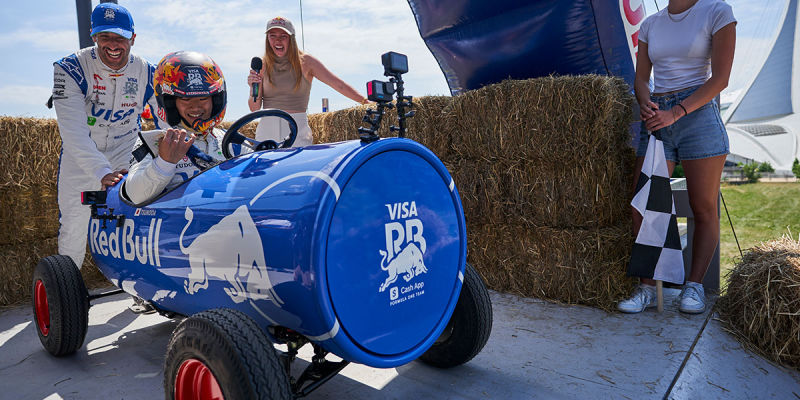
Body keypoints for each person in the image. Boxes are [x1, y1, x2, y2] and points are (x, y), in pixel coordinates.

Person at [618, 0, 736, 314]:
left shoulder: (717, 11)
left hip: (697, 115)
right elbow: (641, 79)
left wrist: (678, 111)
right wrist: (645, 102)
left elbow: (721, 78)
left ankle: (693, 287)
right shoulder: (650, 24)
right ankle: (646, 286)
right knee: (642, 201)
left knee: (703, 206)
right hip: (658, 115)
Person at [52, 3, 163, 269]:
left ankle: (142, 288)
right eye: (105, 37)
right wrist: (100, 171)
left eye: (120, 38)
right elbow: (73, 132)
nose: (112, 45)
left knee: (137, 217)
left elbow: (167, 120)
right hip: (82, 162)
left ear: (133, 39)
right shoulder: (70, 68)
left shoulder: (149, 72)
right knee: (75, 227)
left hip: (126, 152)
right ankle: (69, 298)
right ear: (93, 36)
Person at [124, 51, 229, 204]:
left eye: (203, 97)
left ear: (217, 99)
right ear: (170, 103)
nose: (196, 107)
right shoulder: (155, 142)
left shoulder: (232, 142)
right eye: (186, 98)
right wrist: (164, 162)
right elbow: (133, 195)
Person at [247, 16, 368, 147]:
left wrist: (365, 102)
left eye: (283, 36)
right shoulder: (262, 64)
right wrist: (254, 87)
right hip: (266, 132)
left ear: (291, 39)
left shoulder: (306, 62)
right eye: (272, 36)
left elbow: (338, 84)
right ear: (267, 39)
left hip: (297, 131)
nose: (277, 40)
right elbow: (254, 108)